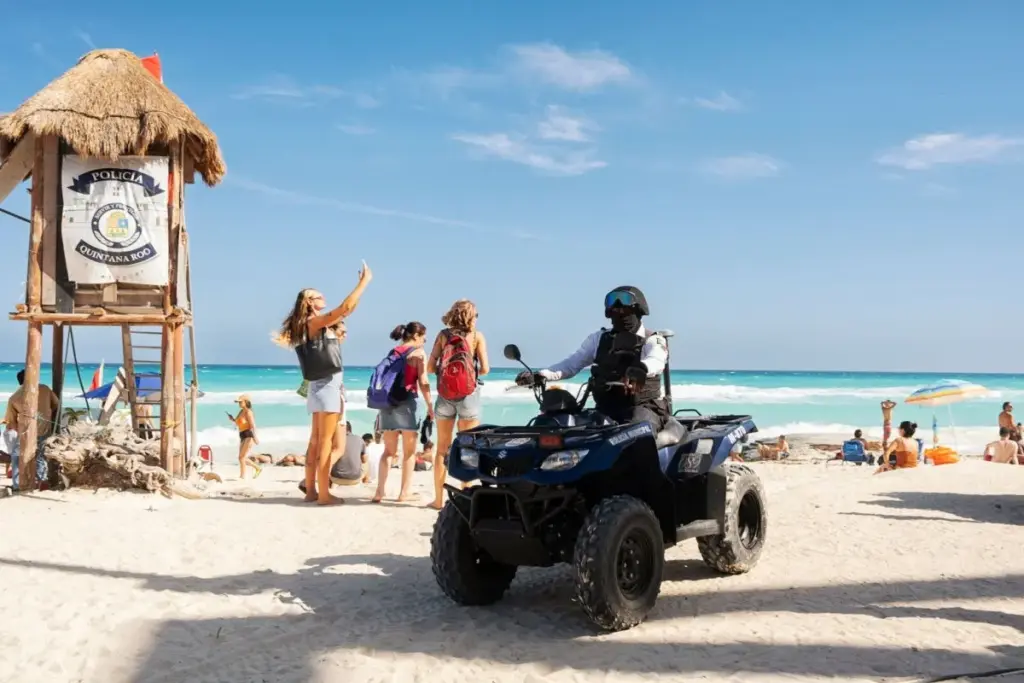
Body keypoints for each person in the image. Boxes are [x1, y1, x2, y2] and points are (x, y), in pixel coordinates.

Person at [274, 261, 372, 505]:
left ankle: (311, 491)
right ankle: (324, 494)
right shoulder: (313, 323)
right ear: (309, 302)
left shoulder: (305, 325)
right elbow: (345, 308)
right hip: (328, 384)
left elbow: (347, 310)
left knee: (316, 441)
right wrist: (364, 282)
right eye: (318, 296)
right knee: (325, 441)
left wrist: (357, 293)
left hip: (317, 385)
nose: (323, 296)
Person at [517, 286, 670, 430]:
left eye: (624, 307)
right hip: (605, 410)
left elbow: (656, 360)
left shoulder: (653, 339)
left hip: (644, 409)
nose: (619, 310)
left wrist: (641, 369)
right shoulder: (599, 339)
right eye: (615, 307)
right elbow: (572, 363)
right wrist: (541, 375)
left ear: (638, 309)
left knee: (636, 432)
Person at [427, 299, 490, 510]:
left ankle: (437, 499)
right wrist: (470, 372)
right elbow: (486, 369)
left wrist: (446, 374)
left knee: (441, 448)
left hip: (445, 395)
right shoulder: (477, 337)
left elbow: (429, 367)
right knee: (469, 447)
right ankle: (467, 495)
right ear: (472, 316)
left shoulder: (443, 335)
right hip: (468, 396)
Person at [372, 322, 434, 503]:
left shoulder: (394, 352)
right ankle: (403, 494)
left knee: (388, 452)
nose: (424, 340)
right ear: (416, 336)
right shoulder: (418, 353)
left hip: (388, 403)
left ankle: (379, 492)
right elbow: (423, 381)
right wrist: (430, 404)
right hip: (407, 402)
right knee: (409, 452)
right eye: (424, 336)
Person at [2, 369, 61, 490]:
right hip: (45, 429)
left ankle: (18, 484)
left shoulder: (14, 398)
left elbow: (11, 422)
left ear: (20, 382)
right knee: (40, 456)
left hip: (26, 432)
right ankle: (42, 481)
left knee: (17, 456)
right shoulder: (44, 389)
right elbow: (56, 404)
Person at [228, 394, 261, 479]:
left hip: (249, 435)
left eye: (240, 402)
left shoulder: (248, 412)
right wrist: (232, 419)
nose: (239, 403)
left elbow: (253, 425)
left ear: (246, 402)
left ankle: (242, 476)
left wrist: (255, 437)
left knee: (242, 457)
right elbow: (238, 422)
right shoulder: (241, 411)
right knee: (241, 457)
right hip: (242, 435)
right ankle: (258, 468)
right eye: (238, 402)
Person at [330, 421, 368, 486]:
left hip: (335, 478)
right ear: (350, 429)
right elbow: (364, 460)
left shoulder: (333, 439)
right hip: (355, 479)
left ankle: (328, 486)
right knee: (366, 461)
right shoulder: (359, 439)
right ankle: (366, 482)